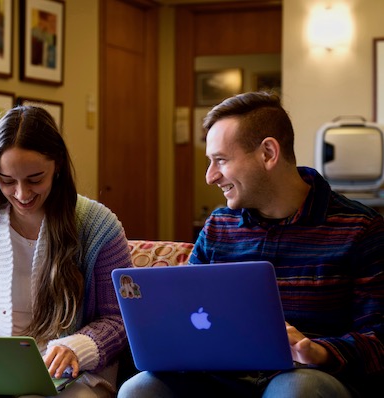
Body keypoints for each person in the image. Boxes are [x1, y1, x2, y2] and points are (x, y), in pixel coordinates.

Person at [118, 91, 384, 398]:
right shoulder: (220, 226)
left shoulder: (360, 228)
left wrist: (318, 351)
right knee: (139, 389)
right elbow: (187, 312)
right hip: (220, 375)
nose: (210, 177)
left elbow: (378, 341)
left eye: (221, 160)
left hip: (308, 376)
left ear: (268, 153)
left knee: (298, 390)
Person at [0, 105, 133, 398]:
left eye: (35, 179)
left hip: (75, 375)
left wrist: (78, 346)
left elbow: (122, 317)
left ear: (59, 166)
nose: (21, 194)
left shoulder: (99, 227)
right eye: (7, 181)